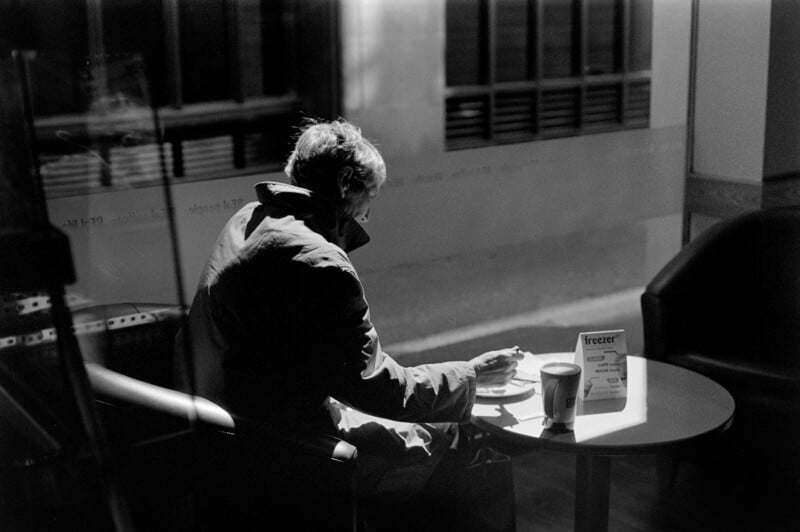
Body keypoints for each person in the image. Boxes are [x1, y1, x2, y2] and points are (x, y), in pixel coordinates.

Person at [177, 118, 522, 525]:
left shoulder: (250, 219)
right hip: (285, 446)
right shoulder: (319, 262)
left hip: (226, 427)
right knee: (448, 433)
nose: (367, 215)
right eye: (368, 199)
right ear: (344, 184)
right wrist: (469, 376)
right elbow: (382, 389)